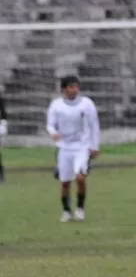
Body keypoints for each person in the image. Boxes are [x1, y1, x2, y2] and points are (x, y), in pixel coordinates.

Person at [47, 75, 100, 223]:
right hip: (64, 147)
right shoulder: (56, 105)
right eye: (70, 87)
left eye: (76, 86)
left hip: (81, 147)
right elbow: (50, 124)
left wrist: (94, 146)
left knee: (80, 178)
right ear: (64, 89)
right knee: (65, 182)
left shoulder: (87, 104)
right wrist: (53, 133)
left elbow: (94, 125)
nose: (74, 89)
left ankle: (80, 208)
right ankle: (66, 210)